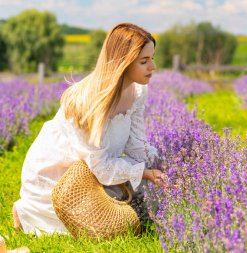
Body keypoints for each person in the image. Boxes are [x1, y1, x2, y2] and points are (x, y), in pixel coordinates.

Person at [12, 23, 165, 235]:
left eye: (152, 58)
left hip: (93, 167)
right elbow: (101, 168)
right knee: (97, 224)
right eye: (144, 61)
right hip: (60, 174)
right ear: (124, 63)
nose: (153, 67)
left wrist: (163, 163)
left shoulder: (138, 91)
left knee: (129, 207)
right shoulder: (91, 99)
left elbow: (136, 145)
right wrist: (145, 172)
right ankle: (27, 212)